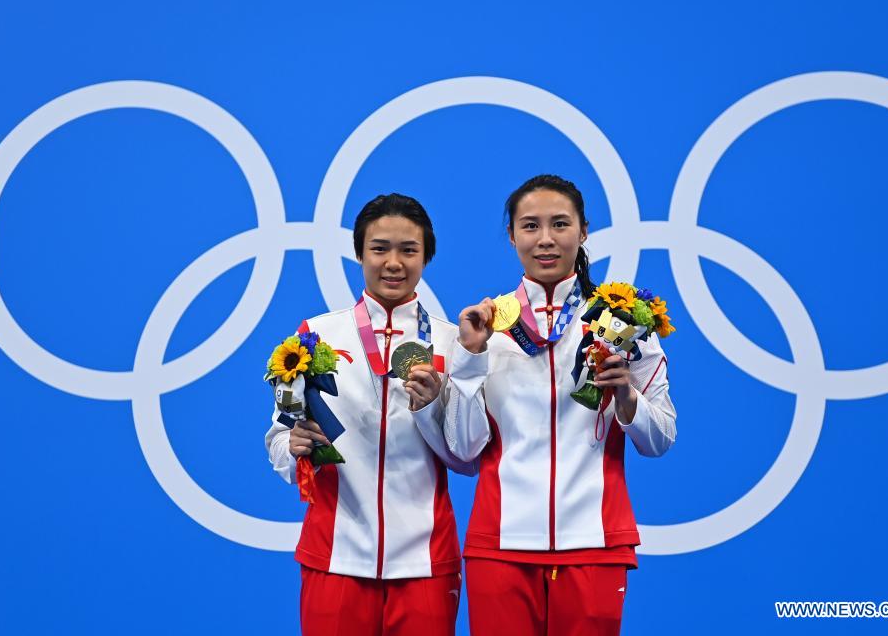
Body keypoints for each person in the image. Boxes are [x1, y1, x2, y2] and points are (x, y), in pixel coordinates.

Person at [442, 175, 677, 636]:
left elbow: (660, 439)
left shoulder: (625, 322)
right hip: (500, 545)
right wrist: (469, 357)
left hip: (595, 542)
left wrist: (628, 397)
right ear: (512, 236)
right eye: (530, 226)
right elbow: (464, 450)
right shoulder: (484, 326)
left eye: (560, 224)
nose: (545, 239)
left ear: (584, 231)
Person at [265, 193, 474, 636]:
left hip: (425, 561)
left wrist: (432, 407)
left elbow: (467, 459)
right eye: (380, 249)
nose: (393, 263)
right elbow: (279, 435)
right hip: (335, 554)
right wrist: (292, 446)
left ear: (427, 257)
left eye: (408, 250)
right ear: (360, 252)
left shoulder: (452, 342)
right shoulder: (315, 334)